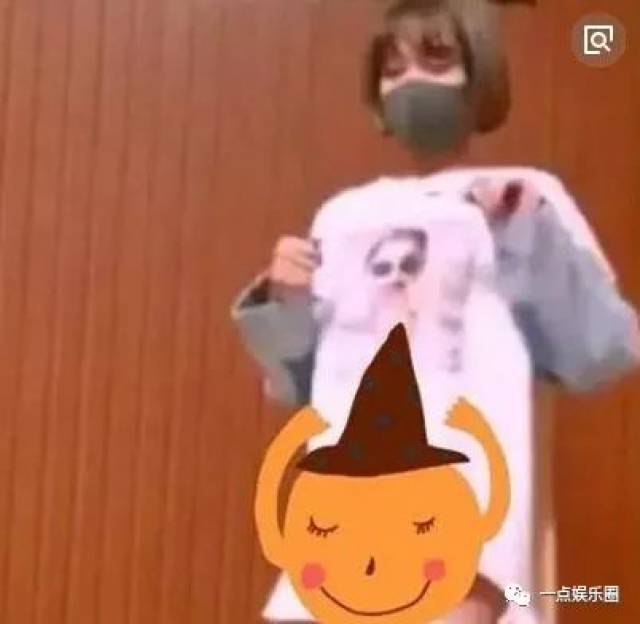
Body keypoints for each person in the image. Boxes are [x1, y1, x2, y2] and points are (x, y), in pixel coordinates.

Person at [232, 1, 639, 622]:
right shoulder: (342, 216)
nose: (411, 81)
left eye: (436, 58)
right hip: (339, 509)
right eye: (392, 68)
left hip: (462, 508)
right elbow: (301, 383)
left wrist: (531, 232)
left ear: (480, 73)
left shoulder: (524, 196)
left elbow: (600, 352)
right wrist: (279, 303)